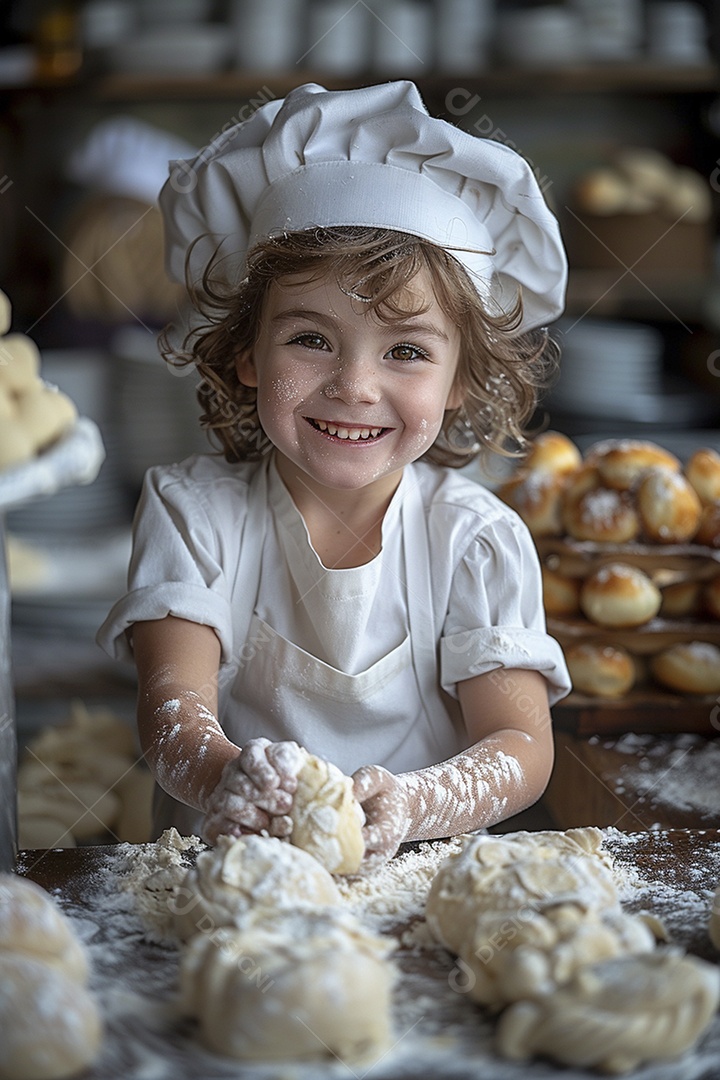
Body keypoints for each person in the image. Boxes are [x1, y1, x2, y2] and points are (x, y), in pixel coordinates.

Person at [97, 81, 571, 865]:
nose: (354, 384)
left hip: (420, 891)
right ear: (246, 354)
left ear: (459, 383)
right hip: (225, 886)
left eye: (408, 351)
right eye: (311, 339)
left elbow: (519, 744)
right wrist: (235, 785)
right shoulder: (196, 512)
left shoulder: (475, 540)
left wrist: (418, 801)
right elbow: (173, 716)